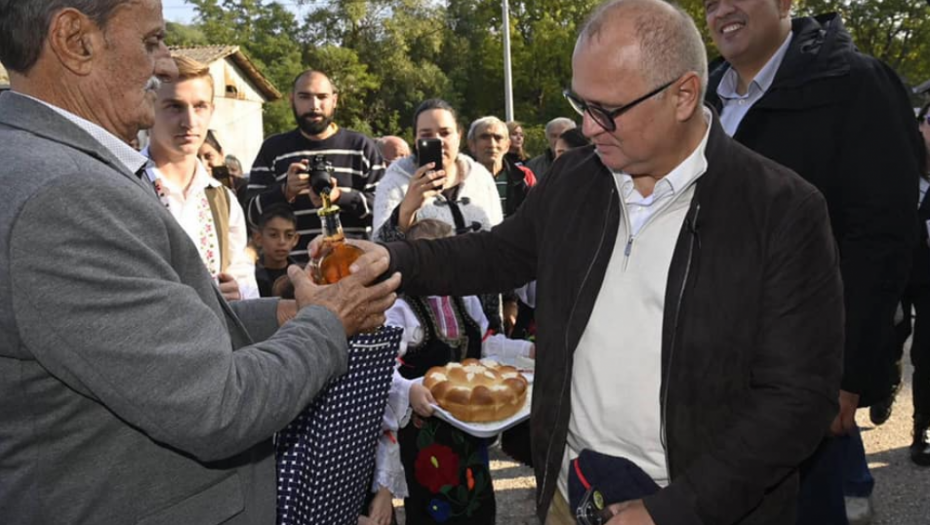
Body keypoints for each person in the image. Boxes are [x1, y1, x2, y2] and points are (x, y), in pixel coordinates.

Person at [347, 0, 844, 522]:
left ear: (683, 95)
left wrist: (671, 511)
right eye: (580, 103)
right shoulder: (574, 180)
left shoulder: (781, 209)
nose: (587, 127)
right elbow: (494, 254)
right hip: (570, 494)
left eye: (606, 110)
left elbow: (797, 400)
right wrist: (388, 256)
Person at [0, 2, 400, 523]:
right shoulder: (67, 195)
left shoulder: (43, 163)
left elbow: (155, 338)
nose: (166, 65)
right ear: (76, 40)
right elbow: (217, 406)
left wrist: (288, 316)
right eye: (150, 43)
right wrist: (330, 321)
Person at [702, 1, 922, 523]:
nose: (721, 9)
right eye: (709, 1)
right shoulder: (696, 94)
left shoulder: (858, 85)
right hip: (703, 373)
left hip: (798, 380)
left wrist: (845, 375)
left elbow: (883, 241)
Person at [373, 218, 534, 525]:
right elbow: (382, 373)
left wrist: (527, 350)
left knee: (476, 500)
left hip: (470, 427)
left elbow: (485, 345)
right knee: (434, 506)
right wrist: (409, 391)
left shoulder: (464, 297)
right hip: (424, 433)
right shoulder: (399, 308)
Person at [372, 99, 505, 332]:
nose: (438, 141)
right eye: (426, 133)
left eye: (445, 132)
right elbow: (381, 256)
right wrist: (406, 210)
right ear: (415, 139)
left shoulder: (480, 178)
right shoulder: (394, 182)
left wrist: (510, 301)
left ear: (459, 136)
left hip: (484, 313)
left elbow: (501, 242)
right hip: (424, 321)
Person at [144, 55, 258, 301]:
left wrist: (238, 291)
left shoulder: (222, 199)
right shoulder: (125, 184)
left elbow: (245, 280)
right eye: (175, 106)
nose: (190, 121)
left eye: (200, 106)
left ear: (211, 111)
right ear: (148, 106)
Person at [246, 69, 385, 262]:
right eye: (305, 97)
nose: (314, 106)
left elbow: (385, 213)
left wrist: (340, 197)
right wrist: (285, 192)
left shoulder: (361, 147)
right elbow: (250, 214)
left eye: (322, 97)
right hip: (291, 276)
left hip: (352, 271)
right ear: (291, 99)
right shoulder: (273, 149)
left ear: (334, 100)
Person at [876, 102, 930, 467]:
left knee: (927, 353)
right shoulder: (898, 165)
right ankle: (887, 381)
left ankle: (921, 427)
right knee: (892, 334)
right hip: (894, 271)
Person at [467, 116, 537, 218]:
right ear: (472, 144)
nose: (491, 144)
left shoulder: (523, 178)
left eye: (498, 138)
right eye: (484, 137)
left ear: (507, 145)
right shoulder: (459, 181)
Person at [254, 203, 300, 298]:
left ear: (295, 239)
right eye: (273, 235)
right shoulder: (249, 277)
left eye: (289, 235)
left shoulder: (301, 276)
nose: (282, 242)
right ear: (258, 238)